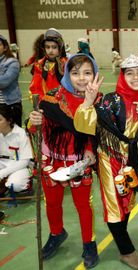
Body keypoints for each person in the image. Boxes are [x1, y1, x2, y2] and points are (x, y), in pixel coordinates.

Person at [75, 55, 138, 270]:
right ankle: (126, 250)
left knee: (127, 201)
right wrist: (88, 101)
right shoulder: (110, 100)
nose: (135, 77)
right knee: (114, 205)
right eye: (129, 73)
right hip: (110, 159)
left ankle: (122, 236)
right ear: (122, 76)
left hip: (135, 160)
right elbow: (85, 126)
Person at [28, 54, 101, 268]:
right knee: (51, 202)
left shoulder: (98, 99)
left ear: (94, 75)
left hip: (80, 162)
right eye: (75, 73)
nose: (81, 78)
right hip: (52, 159)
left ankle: (89, 243)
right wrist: (34, 122)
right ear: (67, 74)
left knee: (83, 206)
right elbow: (35, 130)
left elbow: (95, 133)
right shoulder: (51, 98)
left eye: (87, 73)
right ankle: (56, 233)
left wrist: (89, 151)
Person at [0, 104, 33, 197]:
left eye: (0, 120)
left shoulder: (21, 134)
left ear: (9, 120)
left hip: (19, 165)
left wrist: (2, 174)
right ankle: (3, 184)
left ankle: (27, 184)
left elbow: (25, 161)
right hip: (2, 163)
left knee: (15, 185)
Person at [29, 28, 67, 100]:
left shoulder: (66, 64)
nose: (50, 50)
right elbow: (35, 87)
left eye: (54, 47)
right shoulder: (39, 65)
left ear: (60, 47)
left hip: (63, 104)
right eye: (47, 47)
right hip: (45, 104)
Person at [0, 35, 22, 126]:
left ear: (5, 47)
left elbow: (4, 82)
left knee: (14, 135)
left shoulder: (13, 62)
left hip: (9, 104)